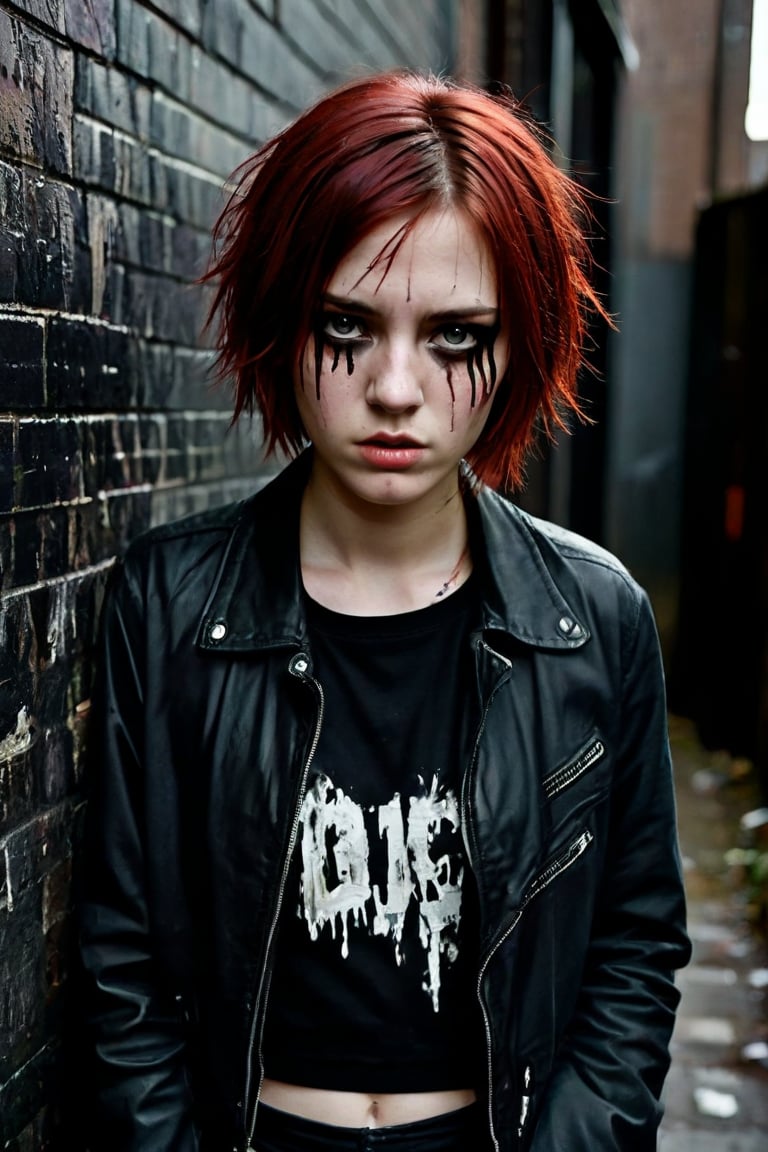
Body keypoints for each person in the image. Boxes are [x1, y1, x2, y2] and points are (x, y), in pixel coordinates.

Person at [78, 70, 691, 1152]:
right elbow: (118, 959)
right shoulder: (170, 608)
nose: (396, 387)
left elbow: (636, 945)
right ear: (282, 321)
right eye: (346, 325)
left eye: (456, 334)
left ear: (517, 343)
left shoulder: (594, 619)